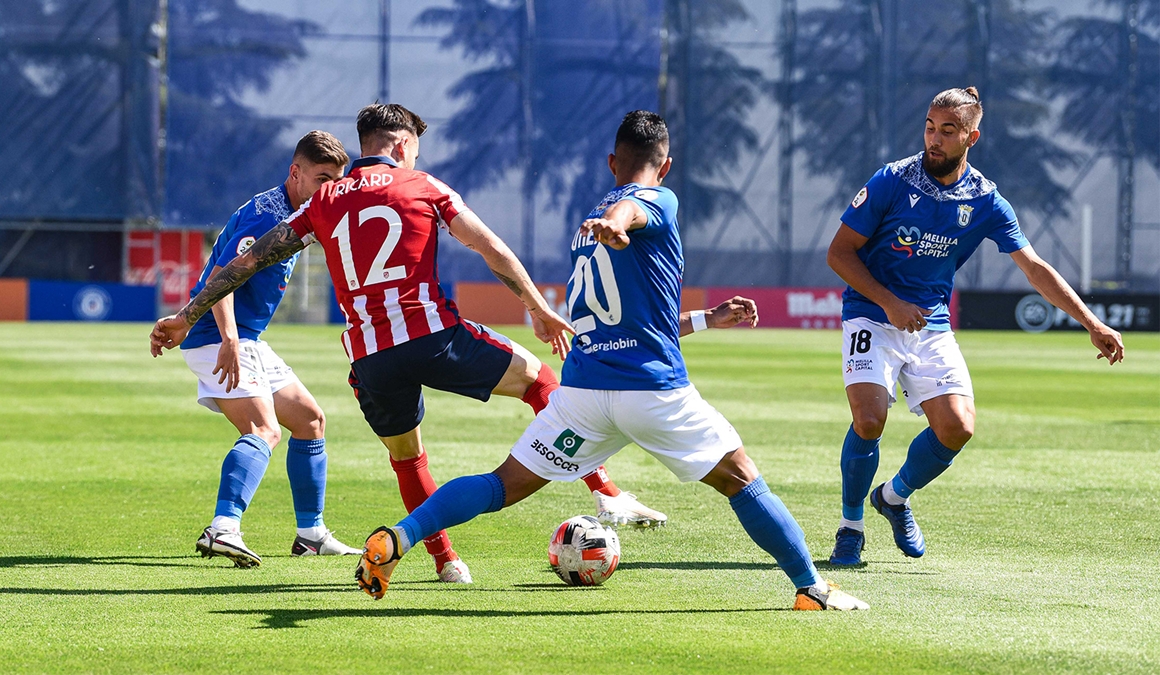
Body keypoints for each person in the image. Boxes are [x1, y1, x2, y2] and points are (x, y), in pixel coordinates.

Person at [354, 111, 869, 611]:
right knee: (742, 479)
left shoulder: (584, 231)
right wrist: (617, 223)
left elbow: (639, 318)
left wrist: (709, 317)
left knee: (500, 484)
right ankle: (812, 589)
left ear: (610, 162)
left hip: (582, 396)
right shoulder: (653, 199)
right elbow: (635, 209)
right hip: (651, 392)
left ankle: (399, 537)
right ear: (664, 166)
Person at [150, 103, 665, 584]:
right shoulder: (421, 184)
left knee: (406, 457)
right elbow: (488, 245)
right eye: (415, 146)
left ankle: (445, 562)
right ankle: (606, 493)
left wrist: (184, 314)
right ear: (400, 146)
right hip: (432, 336)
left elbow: (243, 264)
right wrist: (536, 306)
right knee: (540, 380)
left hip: (370, 359)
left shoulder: (324, 200)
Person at [825, 87, 1125, 566]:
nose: (934, 139)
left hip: (930, 323)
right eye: (929, 127)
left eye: (948, 131)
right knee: (869, 418)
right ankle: (850, 526)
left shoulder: (985, 198)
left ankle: (894, 498)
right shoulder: (890, 180)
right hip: (871, 312)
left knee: (959, 428)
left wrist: (1092, 322)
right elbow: (838, 252)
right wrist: (890, 301)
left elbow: (1034, 267)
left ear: (971, 136)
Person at [153, 130, 360, 568]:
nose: (332, 188)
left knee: (310, 420)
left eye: (337, 180)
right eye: (324, 178)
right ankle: (222, 528)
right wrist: (228, 338)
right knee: (264, 431)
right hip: (219, 335)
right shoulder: (267, 218)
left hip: (244, 337)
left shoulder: (302, 209)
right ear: (295, 173)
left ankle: (311, 535)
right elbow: (223, 276)